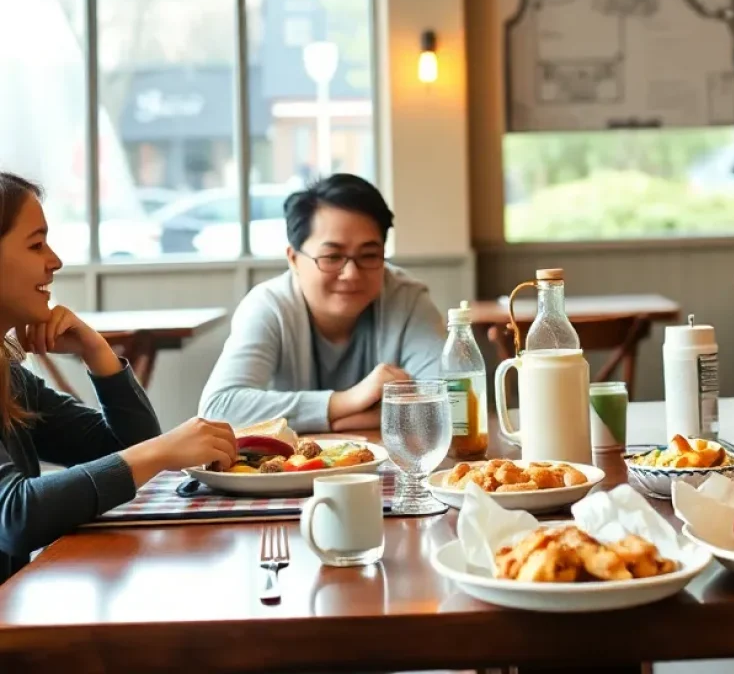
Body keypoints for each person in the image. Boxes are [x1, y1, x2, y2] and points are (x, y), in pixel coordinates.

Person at [0, 172, 237, 585]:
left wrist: (98, 353)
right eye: (36, 244)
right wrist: (161, 452)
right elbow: (16, 516)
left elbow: (126, 449)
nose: (54, 261)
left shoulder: (8, 376)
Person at [199, 174, 446, 433]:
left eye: (369, 255)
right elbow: (219, 409)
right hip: (289, 470)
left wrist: (334, 422)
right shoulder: (269, 306)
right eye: (332, 256)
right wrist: (348, 400)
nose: (351, 273)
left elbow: (445, 403)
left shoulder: (407, 298)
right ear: (293, 259)